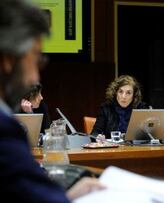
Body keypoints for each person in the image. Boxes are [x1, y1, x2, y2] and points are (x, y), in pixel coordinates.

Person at [0, 0, 104, 202]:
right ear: (8, 60)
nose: (35, 77)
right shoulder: (3, 130)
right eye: (36, 60)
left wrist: (63, 195)